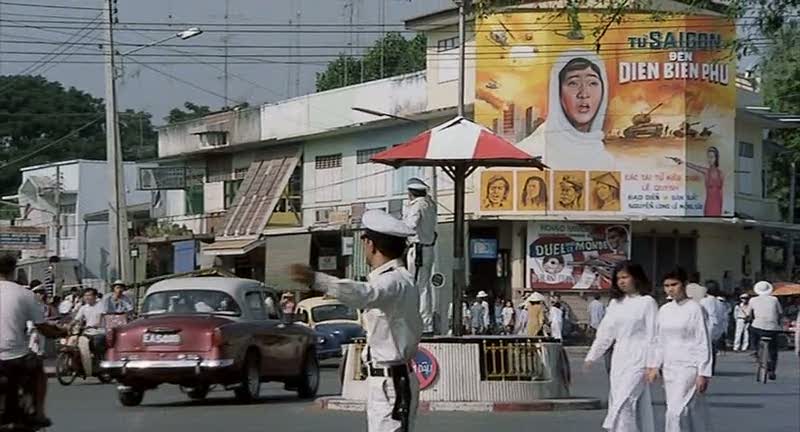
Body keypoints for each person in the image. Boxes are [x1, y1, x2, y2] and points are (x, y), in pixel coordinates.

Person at [289, 210, 422, 432]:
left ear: (371, 244)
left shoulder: (392, 282)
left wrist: (319, 280)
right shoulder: (401, 279)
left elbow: (365, 294)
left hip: (391, 382)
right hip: (387, 380)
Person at [585, 261, 658, 432]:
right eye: (618, 278)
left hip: (639, 357)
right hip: (619, 358)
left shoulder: (647, 302)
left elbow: (654, 336)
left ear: (636, 277)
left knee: (626, 402)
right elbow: (605, 333)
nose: (621, 281)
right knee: (617, 401)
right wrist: (592, 356)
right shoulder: (615, 304)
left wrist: (653, 364)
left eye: (625, 277)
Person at [516, 51, 613, 170]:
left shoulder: (606, 159)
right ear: (557, 92)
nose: (583, 94)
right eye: (573, 83)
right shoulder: (531, 152)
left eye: (592, 83)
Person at [0, 254, 63, 428]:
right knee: (38, 370)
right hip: (16, 357)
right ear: (14, 270)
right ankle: (39, 412)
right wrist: (61, 332)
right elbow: (44, 328)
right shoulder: (25, 294)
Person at [647, 268, 713, 432]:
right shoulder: (664, 310)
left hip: (689, 366)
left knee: (674, 413)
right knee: (685, 410)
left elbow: (703, 341)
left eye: (674, 284)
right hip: (669, 368)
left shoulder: (695, 309)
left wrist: (703, 372)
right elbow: (659, 340)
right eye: (666, 285)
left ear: (684, 285)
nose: (670, 289)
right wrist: (655, 365)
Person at [402, 177, 437, 335]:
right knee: (424, 286)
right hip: (428, 248)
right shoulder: (430, 204)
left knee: (417, 286)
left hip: (418, 249)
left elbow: (410, 226)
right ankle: (425, 321)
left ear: (411, 193)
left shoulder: (417, 206)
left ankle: (421, 322)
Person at [670, 146, 724, 216]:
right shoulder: (707, 172)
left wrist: (721, 208)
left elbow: (721, 192)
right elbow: (695, 167)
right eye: (708, 157)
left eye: (712, 157)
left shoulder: (721, 173)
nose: (710, 159)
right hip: (709, 204)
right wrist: (682, 162)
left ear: (716, 158)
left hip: (718, 205)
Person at [748, 281, 783, 380]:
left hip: (758, 327)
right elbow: (780, 313)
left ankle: (754, 348)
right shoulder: (774, 299)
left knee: (751, 330)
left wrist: (748, 318)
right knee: (773, 349)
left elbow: (748, 314)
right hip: (772, 328)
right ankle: (772, 370)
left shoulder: (753, 300)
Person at [687, 282, 722, 373]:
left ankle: (703, 367)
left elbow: (705, 315)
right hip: (717, 327)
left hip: (707, 325)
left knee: (704, 349)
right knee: (712, 348)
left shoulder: (705, 301)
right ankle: (711, 367)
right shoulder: (719, 302)